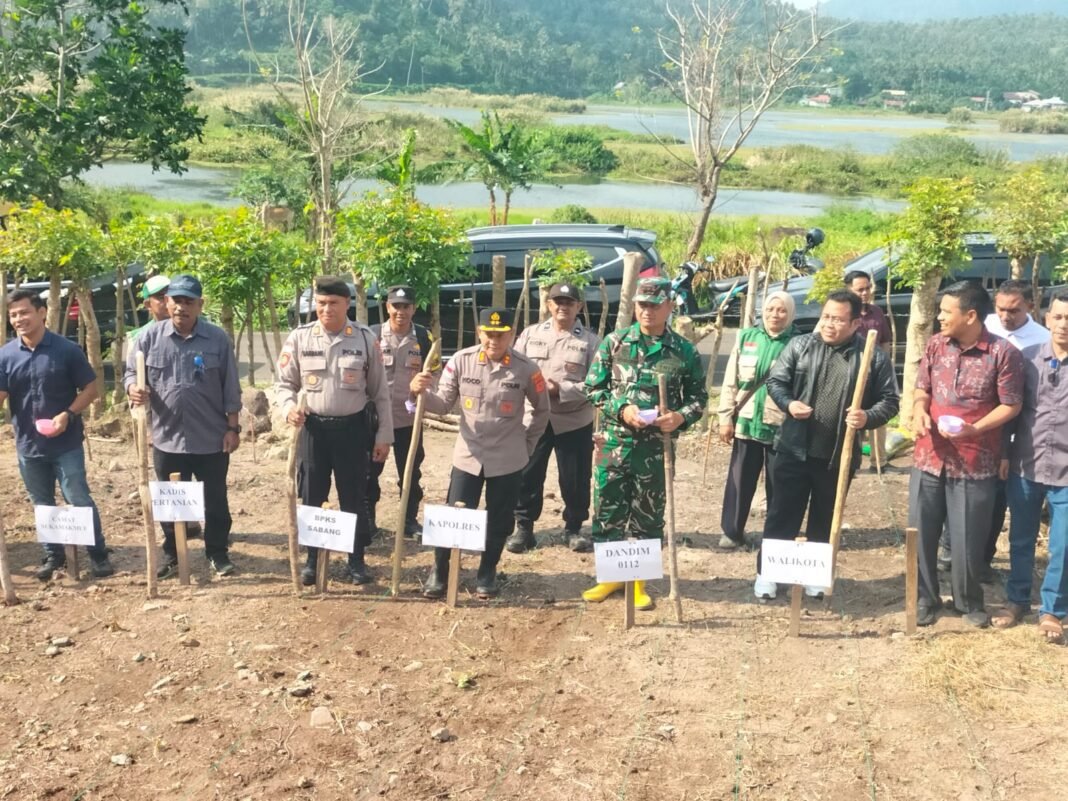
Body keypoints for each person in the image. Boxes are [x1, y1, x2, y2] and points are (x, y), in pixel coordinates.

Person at [758, 289, 899, 600]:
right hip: (793, 448)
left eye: (837, 319)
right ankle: (769, 574)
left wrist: (867, 416)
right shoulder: (800, 345)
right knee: (782, 514)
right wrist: (789, 403)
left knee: (825, 516)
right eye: (826, 317)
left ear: (854, 323)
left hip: (837, 455)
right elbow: (776, 382)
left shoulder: (871, 356)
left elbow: (890, 401)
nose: (829, 324)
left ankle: (815, 577)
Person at [581, 277, 707, 610]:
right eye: (641, 305)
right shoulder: (615, 342)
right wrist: (622, 409)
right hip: (614, 445)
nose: (646, 311)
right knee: (608, 509)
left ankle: (637, 581)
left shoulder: (684, 351)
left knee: (648, 516)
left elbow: (698, 398)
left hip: (655, 451)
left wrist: (680, 417)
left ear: (669, 306)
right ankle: (609, 577)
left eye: (653, 305)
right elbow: (593, 388)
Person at [409, 307, 549, 599]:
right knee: (454, 515)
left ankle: (487, 571)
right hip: (468, 456)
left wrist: (526, 444)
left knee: (499, 519)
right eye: (489, 334)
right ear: (479, 333)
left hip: (508, 458)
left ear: (512, 334)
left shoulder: (527, 368)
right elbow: (442, 403)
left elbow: (541, 410)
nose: (494, 341)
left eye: (501, 335)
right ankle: (440, 570)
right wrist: (417, 392)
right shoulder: (461, 361)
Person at [909, 281, 1023, 628]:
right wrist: (918, 410)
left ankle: (968, 600)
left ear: (970, 315)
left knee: (968, 538)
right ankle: (925, 599)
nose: (940, 316)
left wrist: (975, 428)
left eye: (946, 311)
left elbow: (1012, 405)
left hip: (976, 460)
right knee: (922, 534)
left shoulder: (1003, 353)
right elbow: (922, 388)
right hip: (929, 456)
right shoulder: (935, 346)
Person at [276, 277, 393, 585]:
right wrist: (288, 408)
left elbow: (380, 393)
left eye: (333, 303)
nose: (326, 309)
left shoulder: (365, 339)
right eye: (321, 303)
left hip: (352, 430)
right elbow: (284, 384)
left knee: (353, 496)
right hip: (313, 430)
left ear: (348, 304)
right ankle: (313, 560)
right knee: (312, 495)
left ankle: (356, 560)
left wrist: (384, 436)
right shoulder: (300, 338)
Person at [126, 274, 244, 578]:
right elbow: (130, 374)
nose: (181, 307)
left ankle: (217, 552)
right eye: (176, 300)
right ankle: (172, 553)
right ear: (167, 303)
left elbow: (230, 386)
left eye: (189, 301)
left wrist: (233, 428)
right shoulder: (149, 339)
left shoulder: (216, 339)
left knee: (215, 500)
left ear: (200, 305)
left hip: (211, 438)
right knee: (170, 501)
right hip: (166, 437)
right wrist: (132, 388)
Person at [0, 289, 114, 580]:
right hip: (28, 444)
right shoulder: (6, 355)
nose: (18, 319)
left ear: (41, 313)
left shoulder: (66, 350)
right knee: (41, 501)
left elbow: (91, 389)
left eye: (24, 312)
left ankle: (97, 555)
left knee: (78, 496)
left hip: (66, 443)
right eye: (13, 315)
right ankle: (54, 556)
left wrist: (68, 414)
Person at [993, 291, 1068, 643]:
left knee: (1062, 545)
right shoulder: (1026, 359)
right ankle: (1017, 599)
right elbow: (1011, 410)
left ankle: (1052, 609)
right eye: (1058, 317)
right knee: (1020, 539)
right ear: (1046, 318)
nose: (1064, 325)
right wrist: (1005, 455)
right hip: (1026, 463)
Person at [507, 282, 601, 554]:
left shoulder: (591, 342)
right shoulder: (530, 335)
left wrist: (560, 389)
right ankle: (524, 527)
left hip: (573, 419)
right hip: (534, 418)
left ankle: (573, 527)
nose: (563, 306)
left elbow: (596, 385)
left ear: (578, 307)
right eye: (557, 301)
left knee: (575, 478)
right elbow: (514, 369)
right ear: (548, 305)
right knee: (527, 473)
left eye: (569, 302)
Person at [972, 280, 1052, 581]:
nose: (1005, 316)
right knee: (974, 497)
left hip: (1016, 435)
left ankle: (984, 560)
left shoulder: (1042, 340)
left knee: (999, 499)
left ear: (1031, 306)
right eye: (1001, 309)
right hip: (977, 428)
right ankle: (955, 553)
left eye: (1014, 311)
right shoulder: (984, 326)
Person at [716, 291, 796, 550]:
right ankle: (732, 532)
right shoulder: (746, 337)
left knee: (779, 483)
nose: (775, 314)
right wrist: (725, 417)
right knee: (740, 480)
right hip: (746, 421)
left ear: (790, 314)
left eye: (782, 310)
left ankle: (776, 538)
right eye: (771, 309)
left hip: (781, 425)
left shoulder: (798, 342)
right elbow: (731, 381)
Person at [368, 285, 439, 539]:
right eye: (395, 306)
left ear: (414, 308)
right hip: (375, 420)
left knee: (410, 471)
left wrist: (424, 391)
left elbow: (435, 373)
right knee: (369, 471)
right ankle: (368, 520)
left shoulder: (423, 337)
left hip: (408, 418)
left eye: (406, 306)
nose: (401, 311)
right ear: (387, 307)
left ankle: (408, 520)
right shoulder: (372, 335)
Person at [845, 270, 894, 473]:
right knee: (851, 416)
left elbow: (885, 342)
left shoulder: (876, 312)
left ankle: (879, 462)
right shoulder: (844, 314)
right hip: (850, 373)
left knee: (877, 415)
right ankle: (850, 461)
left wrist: (881, 366)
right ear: (848, 290)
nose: (865, 293)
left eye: (867, 288)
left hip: (874, 373)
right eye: (860, 289)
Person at [126, 274, 171, 343]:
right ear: (148, 305)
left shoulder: (189, 326)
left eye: (171, 294)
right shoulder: (139, 338)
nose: (168, 300)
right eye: (161, 297)